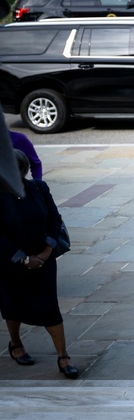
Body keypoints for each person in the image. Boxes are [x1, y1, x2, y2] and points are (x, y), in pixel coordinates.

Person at [0, 150, 78, 379]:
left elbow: (55, 219)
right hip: (10, 263)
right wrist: (23, 258)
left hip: (43, 260)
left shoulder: (38, 189)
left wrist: (45, 252)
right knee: (12, 304)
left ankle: (63, 356)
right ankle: (15, 343)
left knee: (49, 307)